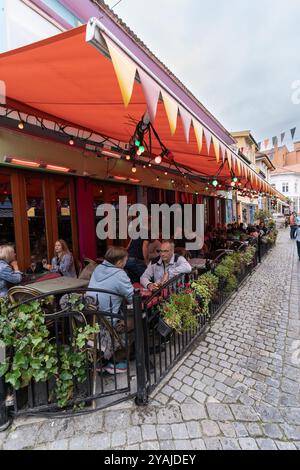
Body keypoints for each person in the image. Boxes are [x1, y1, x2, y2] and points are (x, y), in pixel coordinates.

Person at [88, 246, 134, 374]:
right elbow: (132, 298)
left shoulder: (98, 268)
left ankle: (101, 360)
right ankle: (118, 361)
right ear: (119, 262)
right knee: (136, 318)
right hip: (108, 321)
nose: (126, 263)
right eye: (126, 260)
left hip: (93, 318)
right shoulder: (120, 274)